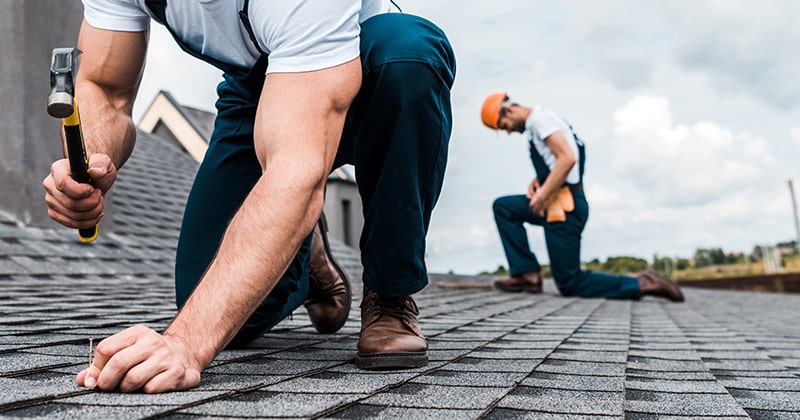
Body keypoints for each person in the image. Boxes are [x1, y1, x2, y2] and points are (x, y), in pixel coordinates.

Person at [42, 0, 455, 393]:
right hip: (256, 87)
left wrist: (185, 343)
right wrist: (91, 162)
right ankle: (307, 254)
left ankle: (390, 293)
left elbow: (295, 171)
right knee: (217, 306)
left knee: (409, 56)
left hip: (368, 66)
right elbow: (105, 88)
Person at [480, 92, 683, 302]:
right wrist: (539, 180)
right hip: (554, 203)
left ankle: (642, 284)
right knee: (504, 207)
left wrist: (541, 197)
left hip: (565, 209)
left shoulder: (541, 121)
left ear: (510, 110)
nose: (509, 131)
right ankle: (526, 274)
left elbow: (568, 159)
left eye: (504, 125)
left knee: (570, 282)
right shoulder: (539, 123)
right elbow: (557, 159)